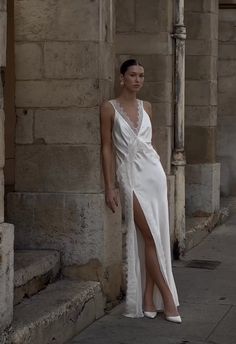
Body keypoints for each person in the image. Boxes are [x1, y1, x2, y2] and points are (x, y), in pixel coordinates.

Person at [100, 59, 181, 323]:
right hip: (130, 178)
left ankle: (148, 298)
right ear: (122, 77)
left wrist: (159, 171)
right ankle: (168, 298)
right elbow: (107, 148)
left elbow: (149, 144)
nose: (138, 80)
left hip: (154, 175)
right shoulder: (108, 108)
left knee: (155, 237)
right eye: (133, 75)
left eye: (141, 76)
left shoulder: (147, 107)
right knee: (149, 236)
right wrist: (109, 185)